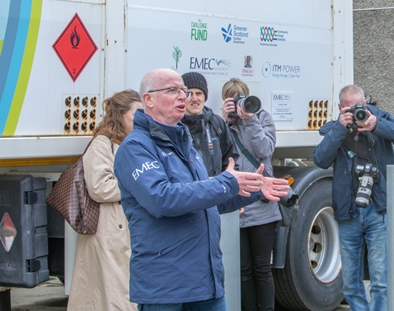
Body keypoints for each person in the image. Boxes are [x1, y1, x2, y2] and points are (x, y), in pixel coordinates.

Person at [113, 68, 290, 310]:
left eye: (183, 91)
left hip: (206, 284)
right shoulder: (135, 148)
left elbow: (208, 200)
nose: (182, 97)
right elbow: (162, 199)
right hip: (166, 288)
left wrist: (254, 187)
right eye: (172, 90)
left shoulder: (184, 142)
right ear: (148, 100)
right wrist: (226, 182)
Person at [312, 84, 394, 311]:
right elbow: (320, 159)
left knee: (380, 281)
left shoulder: (378, 118)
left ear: (365, 103)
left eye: (359, 107)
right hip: (348, 212)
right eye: (349, 108)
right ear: (340, 108)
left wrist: (376, 125)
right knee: (350, 284)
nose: (356, 112)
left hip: (377, 209)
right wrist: (340, 128)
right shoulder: (335, 129)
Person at [67, 89, 142, 311]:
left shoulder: (135, 143)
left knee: (122, 294)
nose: (141, 120)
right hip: (108, 231)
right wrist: (140, 186)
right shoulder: (102, 144)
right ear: (120, 115)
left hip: (128, 230)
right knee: (114, 296)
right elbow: (99, 187)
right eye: (136, 114)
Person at [220, 78, 279, 311]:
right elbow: (219, 155)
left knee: (262, 269)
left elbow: (265, 150)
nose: (238, 103)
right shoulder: (223, 123)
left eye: (241, 97)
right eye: (232, 99)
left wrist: (250, 121)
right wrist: (224, 121)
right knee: (242, 270)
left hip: (262, 203)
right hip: (237, 203)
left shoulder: (262, 117)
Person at [181, 72, 237, 177]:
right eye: (189, 94)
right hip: (188, 191)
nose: (194, 99)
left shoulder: (216, 123)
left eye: (198, 93)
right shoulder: (175, 125)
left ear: (205, 96)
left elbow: (231, 161)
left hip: (217, 191)